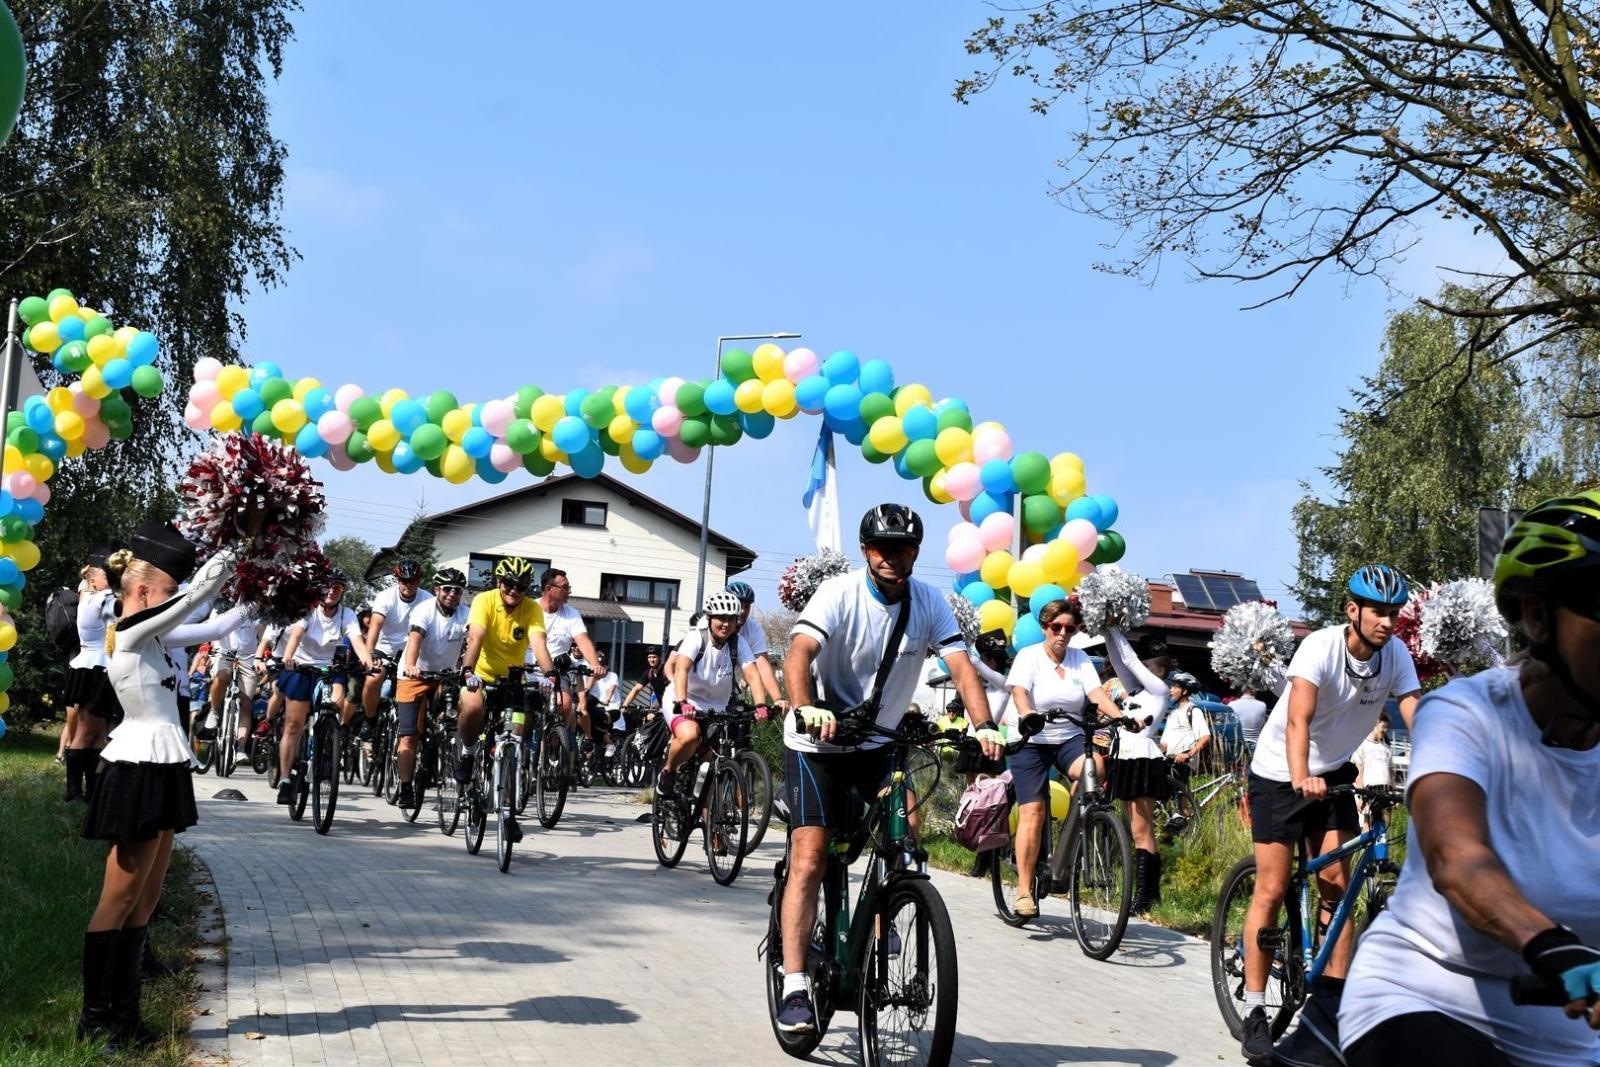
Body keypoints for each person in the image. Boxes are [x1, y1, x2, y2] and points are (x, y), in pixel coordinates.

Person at [1340, 494, 1600, 1066]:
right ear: (1536, 615)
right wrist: (1550, 942)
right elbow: (1457, 858)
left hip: (1570, 1040)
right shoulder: (1468, 714)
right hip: (1426, 1000)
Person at [776, 503, 1003, 1034]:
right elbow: (798, 653)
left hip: (877, 744)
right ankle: (793, 986)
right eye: (883, 549)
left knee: (907, 836)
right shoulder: (839, 594)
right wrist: (808, 706)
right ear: (865, 551)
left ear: (915, 554)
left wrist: (984, 724)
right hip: (817, 744)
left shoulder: (929, 602)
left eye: (903, 550)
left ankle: (889, 908)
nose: (892, 559)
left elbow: (960, 666)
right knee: (810, 856)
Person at [79, 517, 257, 1049]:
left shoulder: (157, 635)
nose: (174, 599)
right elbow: (194, 600)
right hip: (135, 766)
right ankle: (95, 1019)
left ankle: (127, 1015)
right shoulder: (129, 628)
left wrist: (262, 591)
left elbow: (210, 619)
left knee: (147, 896)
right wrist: (239, 547)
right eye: (166, 590)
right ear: (139, 591)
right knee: (120, 895)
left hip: (165, 765)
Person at [1240, 564, 1423, 1067]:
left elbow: (1413, 708)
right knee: (1273, 888)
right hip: (1282, 771)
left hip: (1335, 772)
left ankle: (1332, 1006)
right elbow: (1298, 720)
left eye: (1394, 613)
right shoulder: (1320, 647)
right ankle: (1255, 1008)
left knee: (1338, 889)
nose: (1388, 622)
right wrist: (1301, 775)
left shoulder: (1396, 656)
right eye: (1378, 612)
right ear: (1353, 611)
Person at [1005, 598, 1124, 919]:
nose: (1062, 634)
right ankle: (1025, 890)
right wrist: (1027, 712)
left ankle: (1068, 845)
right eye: (1056, 627)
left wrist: (1122, 717)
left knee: (1095, 767)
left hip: (1067, 737)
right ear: (1045, 627)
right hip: (1031, 737)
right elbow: (1018, 691)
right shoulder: (1029, 657)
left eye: (1070, 628)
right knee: (1034, 811)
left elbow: (1097, 695)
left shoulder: (1080, 659)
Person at [454, 555, 554, 845]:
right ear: (499, 583)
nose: (514, 590)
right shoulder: (484, 601)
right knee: (472, 706)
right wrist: (468, 671)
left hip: (514, 681)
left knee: (516, 744)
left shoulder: (532, 608)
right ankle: (470, 752)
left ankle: (509, 815)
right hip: (481, 676)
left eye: (521, 586)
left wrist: (549, 674)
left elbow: (538, 643)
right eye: (509, 584)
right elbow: (476, 638)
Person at [275, 571, 374, 805]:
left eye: (337, 588)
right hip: (301, 667)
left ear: (343, 592)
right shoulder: (308, 610)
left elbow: (357, 641)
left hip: (330, 669)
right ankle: (286, 779)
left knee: (336, 705)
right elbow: (296, 635)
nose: (331, 591)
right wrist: (288, 657)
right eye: (327, 587)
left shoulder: (346, 615)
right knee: (293, 724)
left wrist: (367, 661)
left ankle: (327, 746)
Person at [658, 591, 768, 795]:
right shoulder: (696, 639)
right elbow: (681, 669)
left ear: (737, 622)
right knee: (690, 736)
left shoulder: (738, 643)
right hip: (683, 699)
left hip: (716, 706)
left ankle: (708, 821)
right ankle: (669, 771)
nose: (726, 624)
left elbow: (752, 675)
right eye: (721, 618)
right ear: (709, 619)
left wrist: (761, 705)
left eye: (731, 619)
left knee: (710, 764)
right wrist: (682, 702)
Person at [1103, 623, 1174, 912]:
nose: (1142, 668)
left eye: (1148, 664)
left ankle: (1147, 894)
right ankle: (1146, 892)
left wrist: (1114, 628)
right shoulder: (1137, 690)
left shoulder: (1160, 689)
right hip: (1125, 757)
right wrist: (1105, 633)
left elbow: (1130, 659)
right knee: (1135, 830)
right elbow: (1121, 661)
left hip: (1143, 759)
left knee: (1143, 830)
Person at [393, 567, 467, 810]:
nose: (451, 594)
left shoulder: (466, 614)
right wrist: (412, 665)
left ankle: (439, 757)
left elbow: (475, 639)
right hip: (414, 675)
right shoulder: (423, 610)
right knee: (409, 736)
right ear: (437, 590)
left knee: (454, 721)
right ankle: (405, 787)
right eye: (447, 589)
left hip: (445, 677)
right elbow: (415, 639)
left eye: (457, 590)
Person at [63, 549, 118, 802]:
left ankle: (91, 793)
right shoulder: (101, 599)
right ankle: (74, 791)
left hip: (95, 667)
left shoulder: (92, 596)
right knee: (86, 733)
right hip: (95, 669)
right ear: (93, 580)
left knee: (97, 736)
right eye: (107, 574)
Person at [359, 557, 431, 742]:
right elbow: (374, 626)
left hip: (412, 653)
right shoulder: (385, 597)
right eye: (404, 580)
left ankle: (423, 730)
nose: (408, 584)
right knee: (372, 679)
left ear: (419, 581)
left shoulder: (428, 599)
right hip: (385, 650)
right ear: (397, 580)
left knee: (425, 688)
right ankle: (369, 720)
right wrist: (370, 655)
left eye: (413, 580)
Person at [532, 567, 603, 739]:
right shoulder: (530, 609)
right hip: (530, 670)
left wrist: (595, 664)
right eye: (565, 587)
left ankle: (556, 749)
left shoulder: (571, 614)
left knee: (565, 706)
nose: (568, 591)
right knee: (525, 715)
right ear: (549, 589)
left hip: (557, 671)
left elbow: (583, 640)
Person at [198, 602, 258, 759]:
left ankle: (241, 748)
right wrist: (204, 657)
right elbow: (207, 632)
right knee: (222, 676)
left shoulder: (256, 607)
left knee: (246, 702)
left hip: (247, 658)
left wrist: (264, 655)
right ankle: (214, 711)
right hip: (224, 653)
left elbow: (265, 633)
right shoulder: (220, 607)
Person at [725, 580, 786, 714]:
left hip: (727, 694)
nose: (742, 611)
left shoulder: (751, 629)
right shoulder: (709, 624)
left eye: (747, 607)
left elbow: (761, 665)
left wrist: (777, 699)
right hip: (697, 692)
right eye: (739, 605)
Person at [1160, 670, 1213, 815]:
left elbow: (1205, 737)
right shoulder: (1172, 713)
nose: (1171, 690)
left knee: (1181, 801)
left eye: (1174, 687)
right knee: (1164, 797)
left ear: (1184, 691)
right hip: (1169, 759)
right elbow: (1164, 742)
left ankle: (1188, 827)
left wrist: (1189, 754)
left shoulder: (1193, 711)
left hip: (1183, 760)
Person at [1352, 717, 1392, 830]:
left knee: (1384, 828)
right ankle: (1367, 847)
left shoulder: (1386, 747)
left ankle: (1380, 847)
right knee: (1367, 827)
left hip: (1384, 792)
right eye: (1383, 727)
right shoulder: (1362, 745)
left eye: (1387, 728)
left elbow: (1390, 771)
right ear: (1375, 725)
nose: (1385, 731)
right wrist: (1360, 797)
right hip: (1368, 793)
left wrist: (1393, 794)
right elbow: (1359, 774)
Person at [587, 650, 624, 739]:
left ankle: (609, 744)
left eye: (602, 666)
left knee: (601, 721)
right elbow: (587, 688)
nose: (599, 669)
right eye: (597, 666)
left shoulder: (612, 676)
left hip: (610, 707)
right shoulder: (591, 676)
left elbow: (611, 690)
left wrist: (607, 700)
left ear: (607, 666)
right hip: (596, 707)